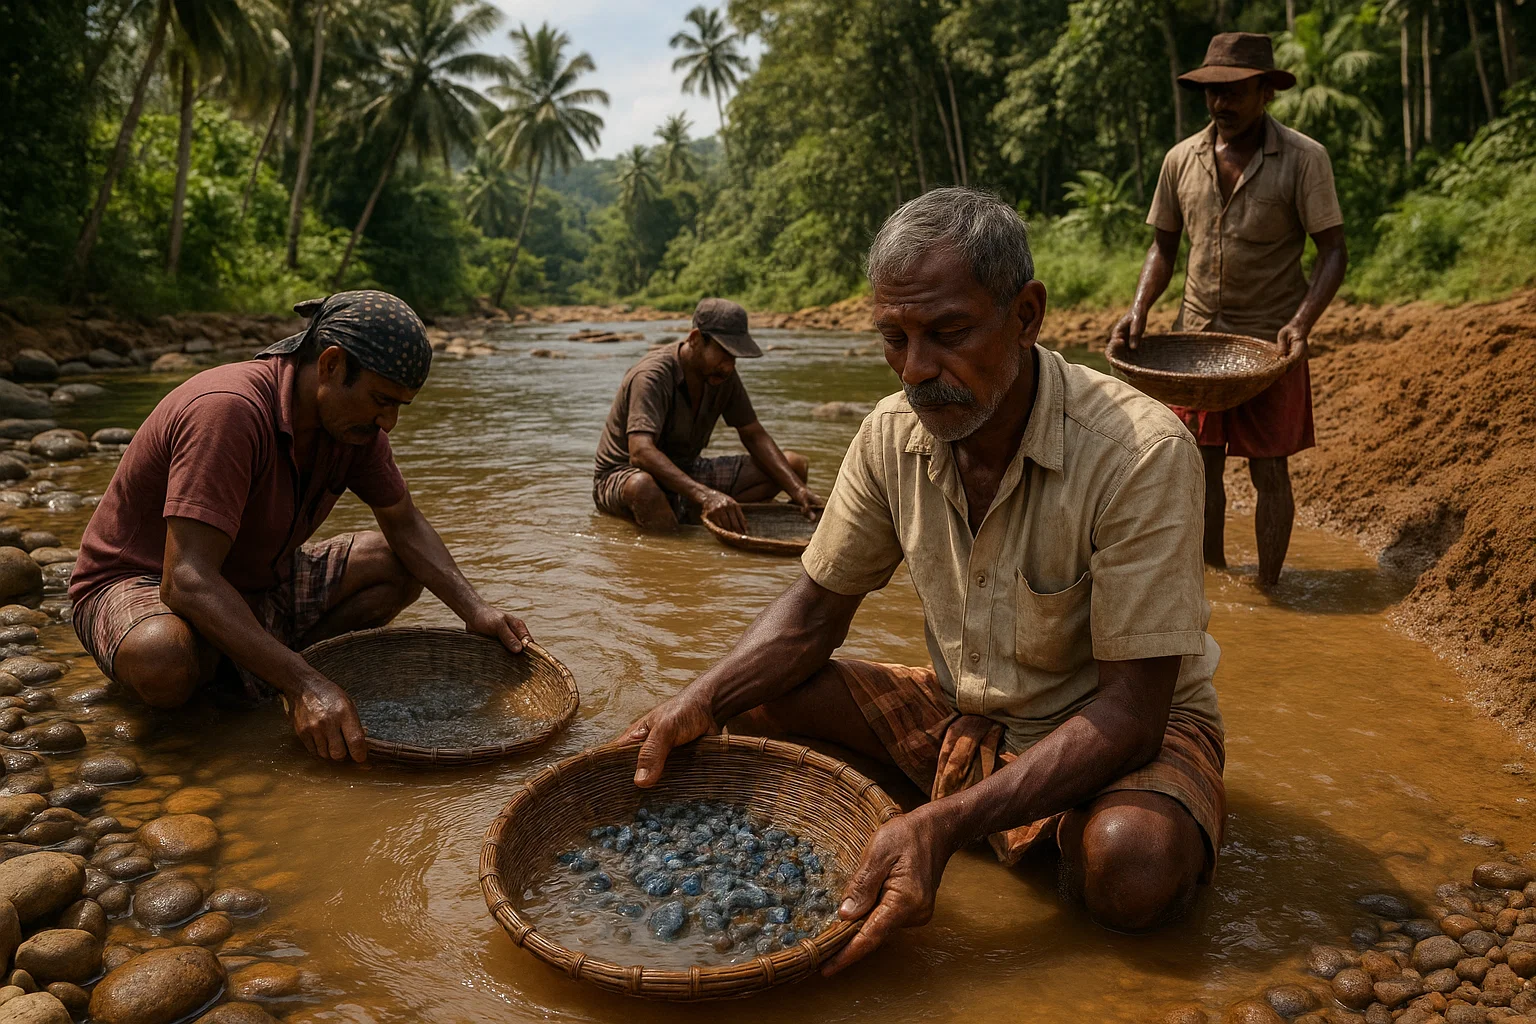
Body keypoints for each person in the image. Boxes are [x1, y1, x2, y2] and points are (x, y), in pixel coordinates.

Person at [620, 189, 1226, 974]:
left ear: (1027, 315)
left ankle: (972, 825)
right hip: (969, 706)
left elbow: (1134, 714)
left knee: (1130, 869)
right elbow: (810, 617)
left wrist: (940, 824)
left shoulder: (1140, 452)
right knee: (748, 702)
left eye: (947, 333)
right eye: (893, 338)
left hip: (1114, 724)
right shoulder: (889, 436)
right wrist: (694, 700)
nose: (916, 370)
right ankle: (958, 821)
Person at [69, 290, 533, 763]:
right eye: (381, 401)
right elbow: (186, 579)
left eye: (400, 407)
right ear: (330, 365)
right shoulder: (228, 410)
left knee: (392, 564)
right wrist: (305, 683)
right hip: (140, 580)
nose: (388, 423)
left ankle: (252, 675)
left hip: (254, 581)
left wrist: (476, 610)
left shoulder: (354, 427)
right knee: (164, 658)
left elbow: (404, 522)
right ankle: (263, 679)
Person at [1111, 31, 1347, 587]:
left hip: (1271, 339)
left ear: (1266, 91)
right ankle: (1209, 578)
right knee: (1198, 466)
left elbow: (1333, 251)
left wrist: (1301, 324)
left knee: (1269, 468)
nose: (1222, 103)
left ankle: (1269, 586)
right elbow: (1163, 247)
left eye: (1236, 91)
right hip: (1197, 338)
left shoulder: (1303, 158)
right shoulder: (1180, 160)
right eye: (1212, 92)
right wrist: (1140, 308)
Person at [593, 298, 822, 533]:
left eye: (735, 357)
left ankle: (690, 512)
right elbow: (640, 452)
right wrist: (705, 495)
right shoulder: (651, 376)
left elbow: (752, 433)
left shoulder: (722, 375)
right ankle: (677, 545)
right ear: (695, 340)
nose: (729, 365)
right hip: (623, 476)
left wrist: (797, 490)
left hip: (686, 470)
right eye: (724, 353)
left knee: (794, 466)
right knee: (643, 487)